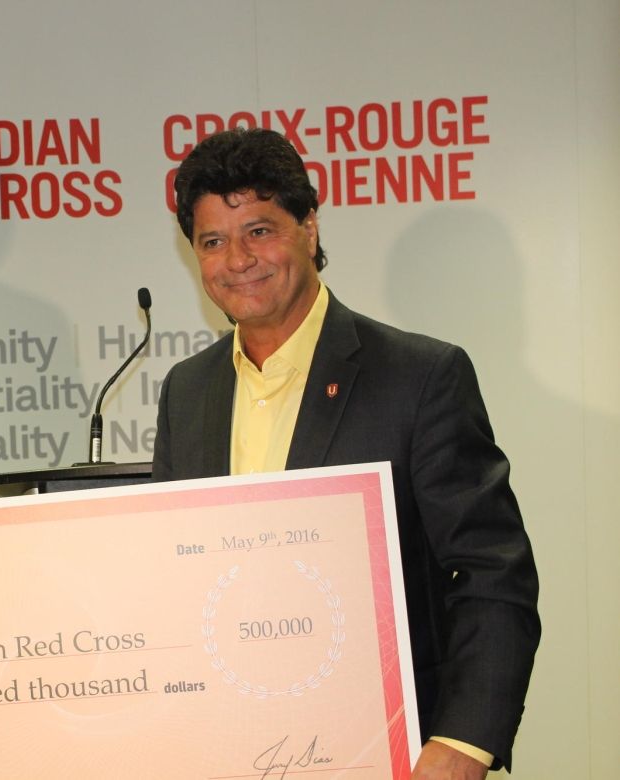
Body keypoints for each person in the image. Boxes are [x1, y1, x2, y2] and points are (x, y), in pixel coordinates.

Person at [153, 128, 538, 779]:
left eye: (260, 230)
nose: (238, 259)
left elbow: (492, 574)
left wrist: (463, 743)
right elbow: (173, 580)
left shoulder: (419, 376)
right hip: (229, 749)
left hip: (393, 753)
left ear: (309, 226)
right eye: (213, 241)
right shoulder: (186, 391)